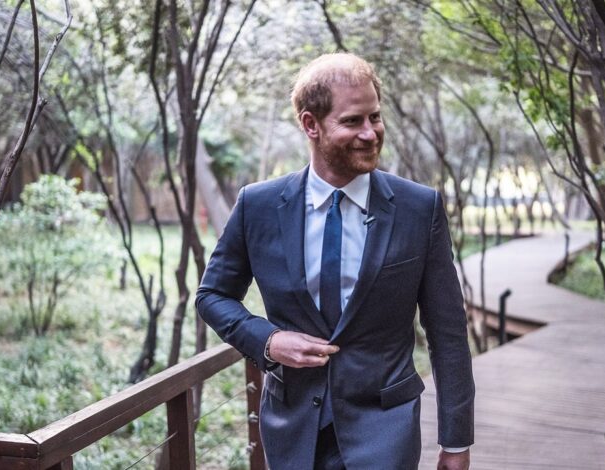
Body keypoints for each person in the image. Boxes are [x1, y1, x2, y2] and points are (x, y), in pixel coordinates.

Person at [196, 53, 474, 470]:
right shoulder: (259, 205)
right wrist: (268, 342)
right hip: (292, 429)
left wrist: (455, 442)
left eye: (375, 117)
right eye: (352, 121)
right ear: (311, 124)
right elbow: (212, 295)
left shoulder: (420, 208)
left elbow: (447, 330)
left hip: (386, 430)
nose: (370, 133)